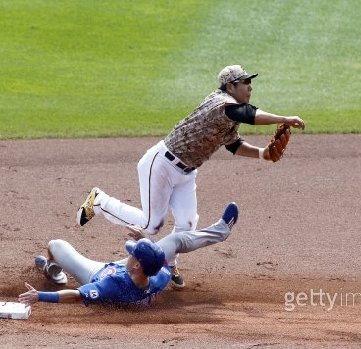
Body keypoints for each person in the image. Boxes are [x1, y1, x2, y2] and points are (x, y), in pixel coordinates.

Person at [75, 65, 305, 289]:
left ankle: (169, 264)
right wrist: (283, 118)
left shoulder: (230, 114)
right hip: (162, 164)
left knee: (187, 223)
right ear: (230, 86)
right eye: (245, 82)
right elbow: (248, 114)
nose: (250, 87)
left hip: (187, 172)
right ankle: (99, 201)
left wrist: (263, 154)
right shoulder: (219, 103)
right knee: (152, 224)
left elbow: (233, 144)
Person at [19, 203, 238, 307]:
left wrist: (40, 296)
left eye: (133, 253)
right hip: (135, 274)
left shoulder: (113, 284)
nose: (130, 252)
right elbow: (160, 260)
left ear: (136, 265)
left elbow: (76, 295)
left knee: (56, 245)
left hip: (96, 274)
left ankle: (54, 271)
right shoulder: (159, 276)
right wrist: (144, 240)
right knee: (176, 241)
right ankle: (221, 231)